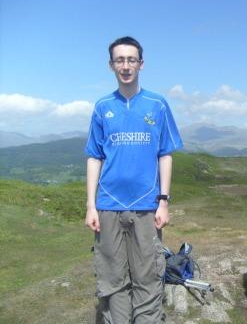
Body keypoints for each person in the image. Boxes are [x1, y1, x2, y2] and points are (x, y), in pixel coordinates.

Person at [84, 36, 183, 324]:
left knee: (148, 278)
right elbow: (94, 157)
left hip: (146, 206)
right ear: (111, 65)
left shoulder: (157, 104)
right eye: (119, 60)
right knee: (112, 279)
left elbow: (165, 154)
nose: (125, 66)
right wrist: (91, 205)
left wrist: (163, 201)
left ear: (141, 63)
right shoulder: (102, 107)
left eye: (131, 59)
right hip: (107, 205)